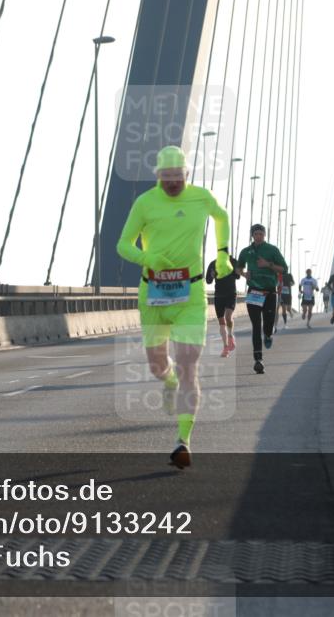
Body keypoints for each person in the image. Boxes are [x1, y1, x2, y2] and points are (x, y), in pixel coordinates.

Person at [117, 145, 231, 470]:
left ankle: (183, 441)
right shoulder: (145, 203)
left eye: (177, 177)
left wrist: (222, 253)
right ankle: (167, 382)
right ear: (157, 176)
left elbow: (221, 217)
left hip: (190, 293)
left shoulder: (201, 197)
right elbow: (122, 245)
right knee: (157, 365)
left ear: (187, 174)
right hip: (153, 293)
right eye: (166, 177)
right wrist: (147, 257)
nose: (171, 183)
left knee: (187, 364)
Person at [236, 224, 287, 375]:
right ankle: (258, 360)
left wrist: (268, 264)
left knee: (268, 325)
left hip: (270, 292)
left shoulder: (272, 250)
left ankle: (268, 334)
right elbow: (238, 268)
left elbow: (284, 269)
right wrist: (244, 274)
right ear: (252, 235)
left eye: (261, 234)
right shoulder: (246, 251)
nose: (258, 236)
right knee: (256, 325)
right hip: (254, 292)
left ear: (264, 235)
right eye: (256, 234)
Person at [206, 255, 240, 357]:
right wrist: (212, 275)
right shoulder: (213, 264)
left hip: (231, 294)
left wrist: (235, 269)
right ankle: (225, 347)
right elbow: (208, 281)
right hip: (218, 295)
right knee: (221, 322)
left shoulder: (233, 261)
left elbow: (238, 276)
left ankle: (230, 335)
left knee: (228, 317)